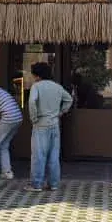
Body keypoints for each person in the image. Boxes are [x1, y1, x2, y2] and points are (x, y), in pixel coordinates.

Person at [26, 62, 73, 192]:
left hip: (40, 124)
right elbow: (69, 99)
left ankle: (36, 184)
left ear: (37, 75)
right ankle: (53, 184)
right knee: (54, 155)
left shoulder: (36, 86)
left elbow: (31, 102)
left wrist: (34, 118)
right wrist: (61, 112)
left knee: (38, 155)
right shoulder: (57, 87)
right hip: (54, 124)